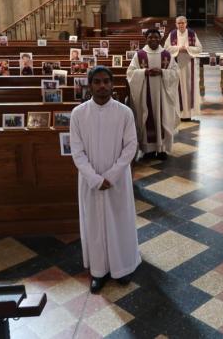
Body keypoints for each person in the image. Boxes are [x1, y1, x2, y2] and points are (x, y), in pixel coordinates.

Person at [70, 66, 140, 293]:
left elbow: (131, 146)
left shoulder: (124, 113)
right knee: (95, 226)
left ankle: (122, 268)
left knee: (120, 222)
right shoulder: (78, 114)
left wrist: (111, 176)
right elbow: (77, 151)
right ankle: (98, 271)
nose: (102, 86)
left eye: (106, 81)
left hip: (117, 180)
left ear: (112, 84)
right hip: (90, 182)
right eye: (97, 82)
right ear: (89, 85)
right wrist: (94, 178)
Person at [126, 29, 180, 160]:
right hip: (145, 94)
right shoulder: (139, 55)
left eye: (156, 37)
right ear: (146, 38)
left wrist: (162, 72)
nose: (153, 40)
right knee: (148, 117)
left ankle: (161, 149)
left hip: (163, 95)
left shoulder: (167, 55)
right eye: (150, 37)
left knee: (163, 118)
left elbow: (176, 72)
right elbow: (130, 72)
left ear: (160, 38)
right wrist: (144, 72)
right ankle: (149, 150)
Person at [164, 16, 202, 120]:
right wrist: (178, 49)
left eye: (183, 23)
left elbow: (199, 48)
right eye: (179, 23)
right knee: (178, 87)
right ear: (176, 24)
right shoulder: (172, 35)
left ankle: (189, 113)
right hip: (176, 65)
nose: (181, 25)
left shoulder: (192, 34)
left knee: (189, 87)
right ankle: (179, 113)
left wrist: (188, 49)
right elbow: (166, 48)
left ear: (186, 23)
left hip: (189, 65)